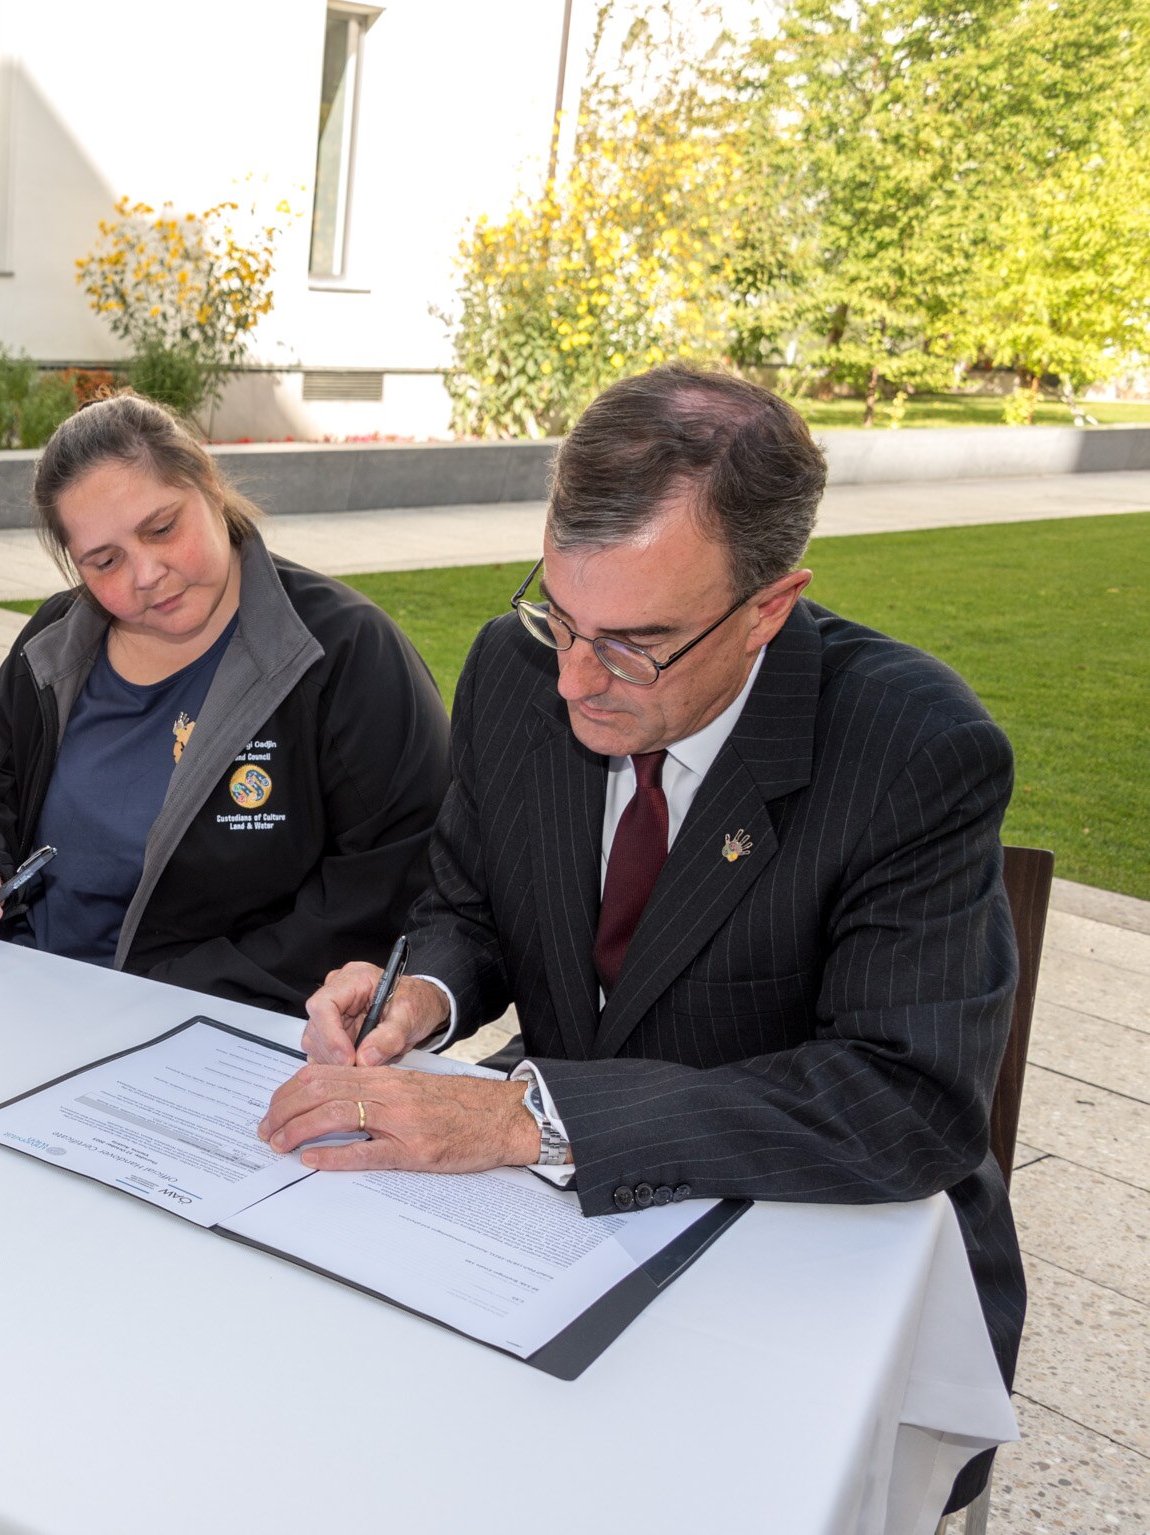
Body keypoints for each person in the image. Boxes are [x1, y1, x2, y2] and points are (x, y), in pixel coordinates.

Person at [257, 364, 1022, 1514]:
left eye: (634, 643)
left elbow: (904, 1100)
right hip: (553, 1239)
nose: (574, 679)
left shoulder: (911, 749)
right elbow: (468, 906)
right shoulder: (514, 676)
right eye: (559, 616)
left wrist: (529, 1114)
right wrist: (416, 996)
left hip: (810, 1249)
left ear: (768, 605)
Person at [0, 392, 451, 1011]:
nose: (146, 574)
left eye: (162, 528)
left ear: (207, 481)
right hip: (24, 1000)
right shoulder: (54, 644)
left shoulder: (344, 653)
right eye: (105, 561)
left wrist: (163, 997)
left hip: (224, 1036)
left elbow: (393, 890)